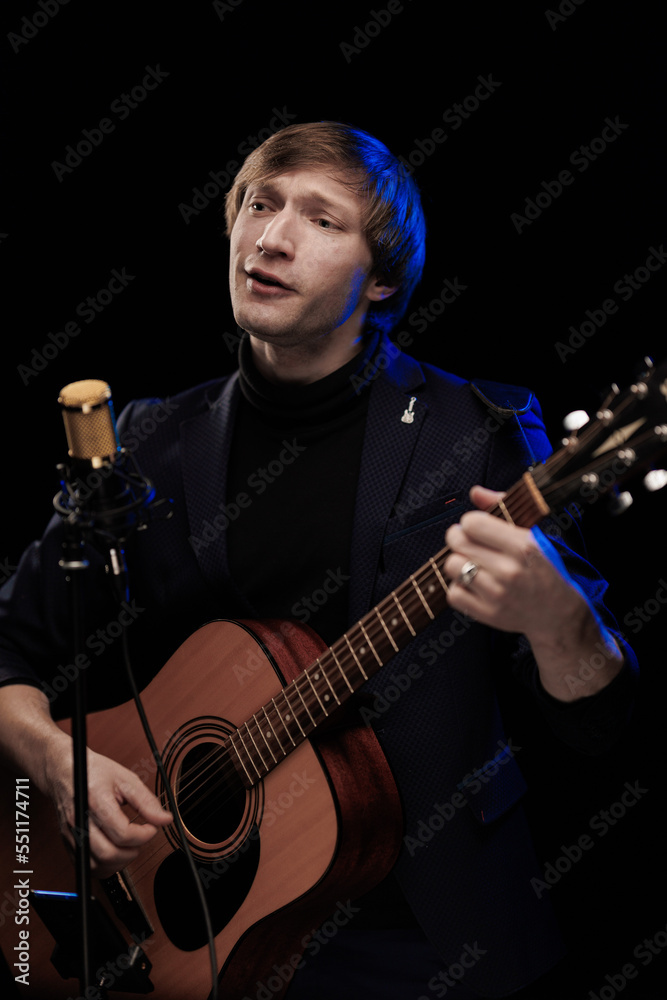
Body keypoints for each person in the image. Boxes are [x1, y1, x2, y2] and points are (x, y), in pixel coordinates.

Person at [0, 121, 636, 999]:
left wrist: (563, 622)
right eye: (258, 204)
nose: (271, 237)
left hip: (426, 938)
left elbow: (599, 730)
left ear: (380, 280)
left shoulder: (477, 433)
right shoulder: (147, 441)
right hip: (191, 940)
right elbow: (10, 646)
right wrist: (53, 766)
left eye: (322, 220)